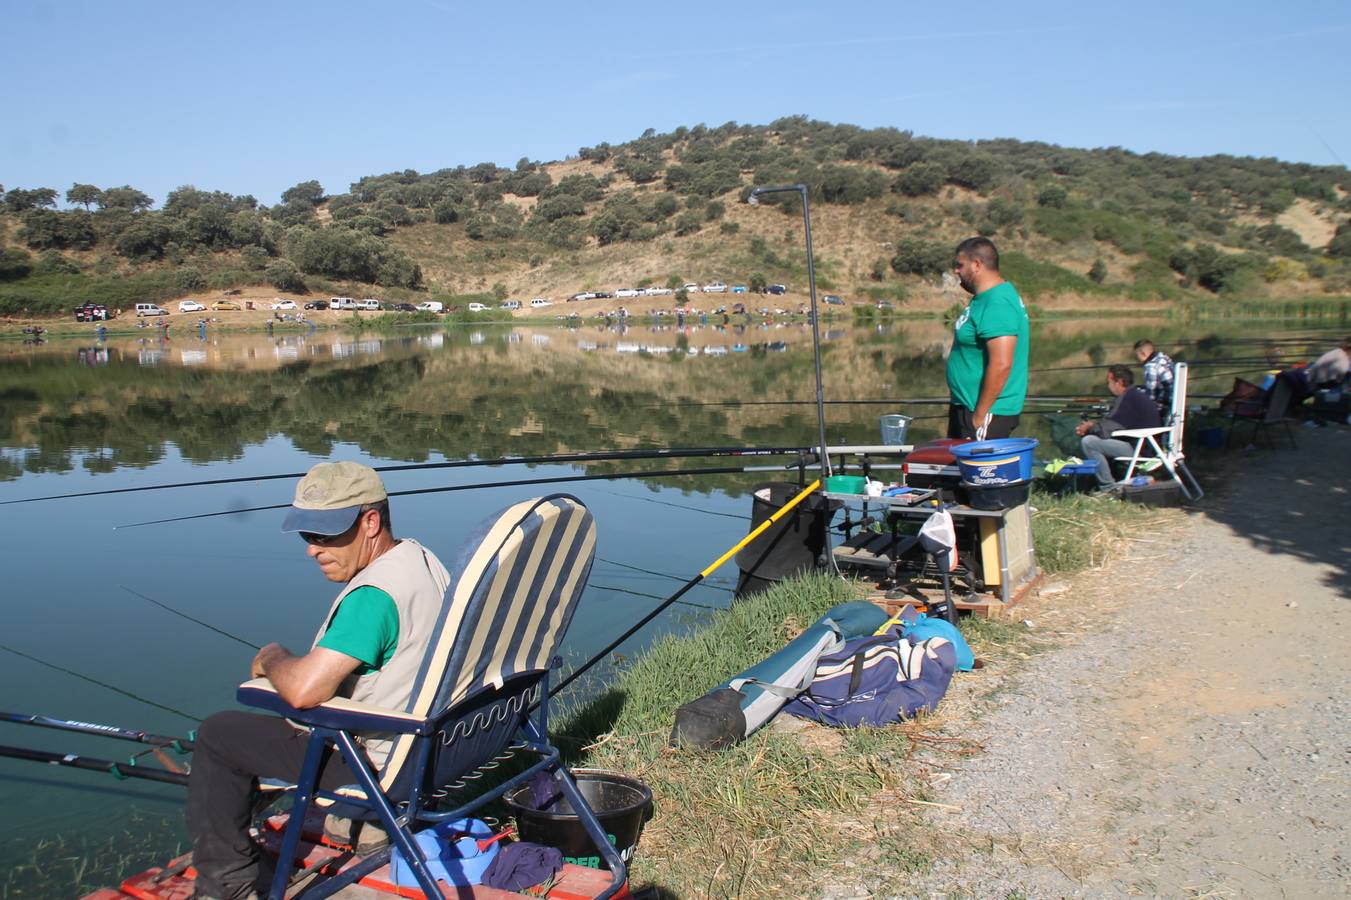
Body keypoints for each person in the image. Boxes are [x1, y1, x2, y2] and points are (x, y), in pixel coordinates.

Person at [185, 461, 450, 899]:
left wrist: (273, 657)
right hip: (431, 746)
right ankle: (365, 827)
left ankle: (229, 883)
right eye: (308, 535)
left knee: (218, 735)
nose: (313, 549)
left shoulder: (373, 599)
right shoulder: (420, 560)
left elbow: (304, 689)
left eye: (325, 535)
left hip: (380, 762)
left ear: (370, 522)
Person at [945, 237, 1030, 440]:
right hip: (966, 406)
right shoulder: (984, 299)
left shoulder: (997, 302)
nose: (956, 271)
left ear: (976, 265)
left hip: (985, 413)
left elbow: (1001, 363)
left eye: (959, 265)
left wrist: (980, 415)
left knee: (978, 472)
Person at [1076, 364, 1161, 489]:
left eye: (1108, 382)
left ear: (1119, 382)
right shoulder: (1135, 396)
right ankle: (1109, 480)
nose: (1108, 386)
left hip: (1139, 450)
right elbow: (1115, 425)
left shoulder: (1127, 399)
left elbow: (1108, 427)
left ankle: (1108, 487)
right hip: (1147, 446)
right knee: (1098, 440)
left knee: (1089, 442)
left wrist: (1089, 428)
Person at [1133, 339, 1175, 414]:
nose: (1137, 358)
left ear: (1143, 354)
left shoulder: (1151, 366)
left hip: (1164, 404)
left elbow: (1151, 394)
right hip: (1173, 399)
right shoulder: (1163, 357)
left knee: (1133, 395)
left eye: (1137, 355)